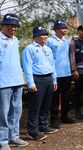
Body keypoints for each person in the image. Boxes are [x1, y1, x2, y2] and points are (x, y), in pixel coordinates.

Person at [22, 26, 58, 141]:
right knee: (35, 106)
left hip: (48, 78)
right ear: (36, 36)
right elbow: (27, 67)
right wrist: (31, 84)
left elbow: (52, 65)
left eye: (46, 35)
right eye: (43, 35)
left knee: (46, 105)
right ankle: (33, 131)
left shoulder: (48, 49)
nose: (45, 37)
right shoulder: (29, 48)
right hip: (37, 79)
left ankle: (43, 125)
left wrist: (54, 80)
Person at [0, 14, 29, 150]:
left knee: (16, 111)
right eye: (10, 25)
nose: (13, 28)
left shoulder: (16, 40)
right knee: (3, 113)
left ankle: (14, 136)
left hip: (17, 80)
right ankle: (3, 141)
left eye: (15, 26)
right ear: (3, 26)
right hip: (3, 82)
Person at [46, 20, 74, 129]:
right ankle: (54, 119)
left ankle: (64, 116)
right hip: (55, 74)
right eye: (63, 28)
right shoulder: (49, 41)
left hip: (66, 73)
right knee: (54, 97)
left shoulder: (66, 41)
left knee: (66, 96)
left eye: (65, 28)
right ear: (56, 29)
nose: (65, 30)